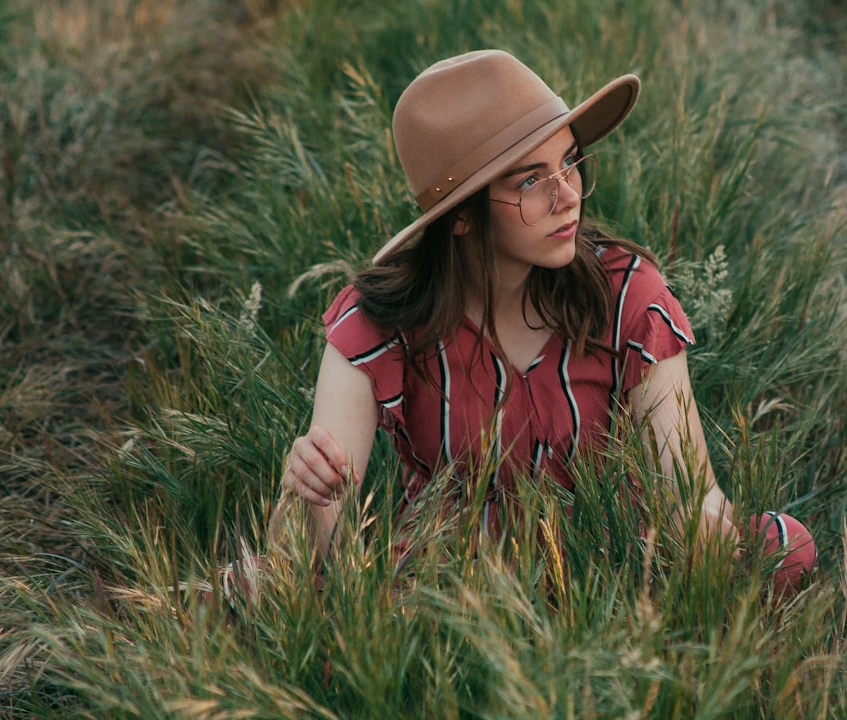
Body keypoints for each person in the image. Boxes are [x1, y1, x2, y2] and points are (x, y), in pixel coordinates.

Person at [274, 49, 739, 567]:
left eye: (569, 163)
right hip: (446, 588)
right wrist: (308, 494)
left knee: (782, 549)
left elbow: (688, 497)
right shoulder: (378, 320)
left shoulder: (627, 295)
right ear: (462, 217)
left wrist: (708, 537)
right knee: (246, 591)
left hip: (611, 569)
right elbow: (311, 553)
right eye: (530, 181)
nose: (568, 197)